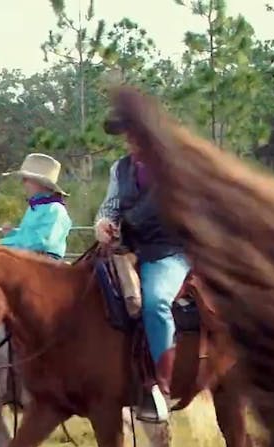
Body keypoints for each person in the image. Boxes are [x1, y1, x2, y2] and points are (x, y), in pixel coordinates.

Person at [95, 113, 190, 423]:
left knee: (155, 302)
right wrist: (104, 223)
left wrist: (128, 224)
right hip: (128, 251)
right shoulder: (119, 168)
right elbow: (111, 205)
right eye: (126, 134)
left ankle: (162, 385)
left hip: (168, 252)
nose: (130, 140)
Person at [0, 153, 73, 259]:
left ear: (41, 183)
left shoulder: (56, 210)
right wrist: (11, 235)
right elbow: (28, 237)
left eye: (26, 179)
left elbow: (42, 243)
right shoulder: (34, 208)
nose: (23, 183)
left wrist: (6, 243)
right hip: (30, 261)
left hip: (46, 265)